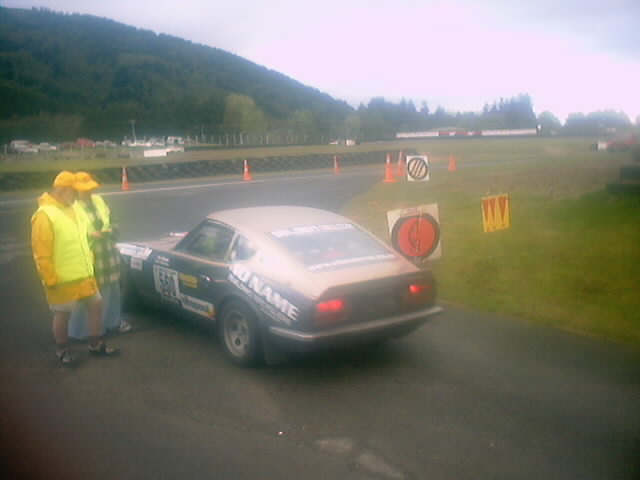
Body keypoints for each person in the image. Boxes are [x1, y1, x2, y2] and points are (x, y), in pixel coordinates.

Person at [31, 171, 118, 366]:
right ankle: (62, 350)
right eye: (74, 192)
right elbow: (41, 252)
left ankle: (95, 344)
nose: (77, 196)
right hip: (62, 278)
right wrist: (49, 278)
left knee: (96, 305)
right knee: (62, 315)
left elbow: (83, 238)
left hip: (85, 273)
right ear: (63, 190)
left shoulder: (73, 209)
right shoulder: (44, 215)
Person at [68, 172, 132, 339]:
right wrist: (90, 236)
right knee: (88, 295)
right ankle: (83, 331)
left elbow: (112, 220)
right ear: (75, 189)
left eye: (89, 188)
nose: (87, 192)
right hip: (88, 256)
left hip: (107, 251)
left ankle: (112, 322)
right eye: (83, 189)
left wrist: (110, 232)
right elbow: (69, 233)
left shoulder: (99, 201)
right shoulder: (71, 207)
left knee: (112, 290)